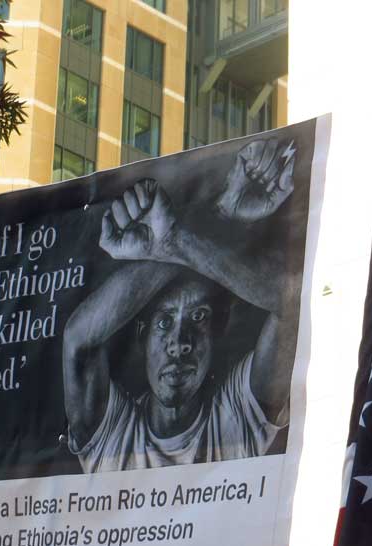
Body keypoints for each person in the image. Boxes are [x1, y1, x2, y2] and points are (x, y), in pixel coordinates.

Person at [62, 138, 301, 472]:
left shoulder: (237, 419)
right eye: (163, 321)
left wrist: (175, 240)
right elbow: (79, 340)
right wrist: (223, 214)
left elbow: (292, 302)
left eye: (199, 317)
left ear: (219, 329)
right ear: (141, 335)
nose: (179, 343)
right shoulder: (113, 435)